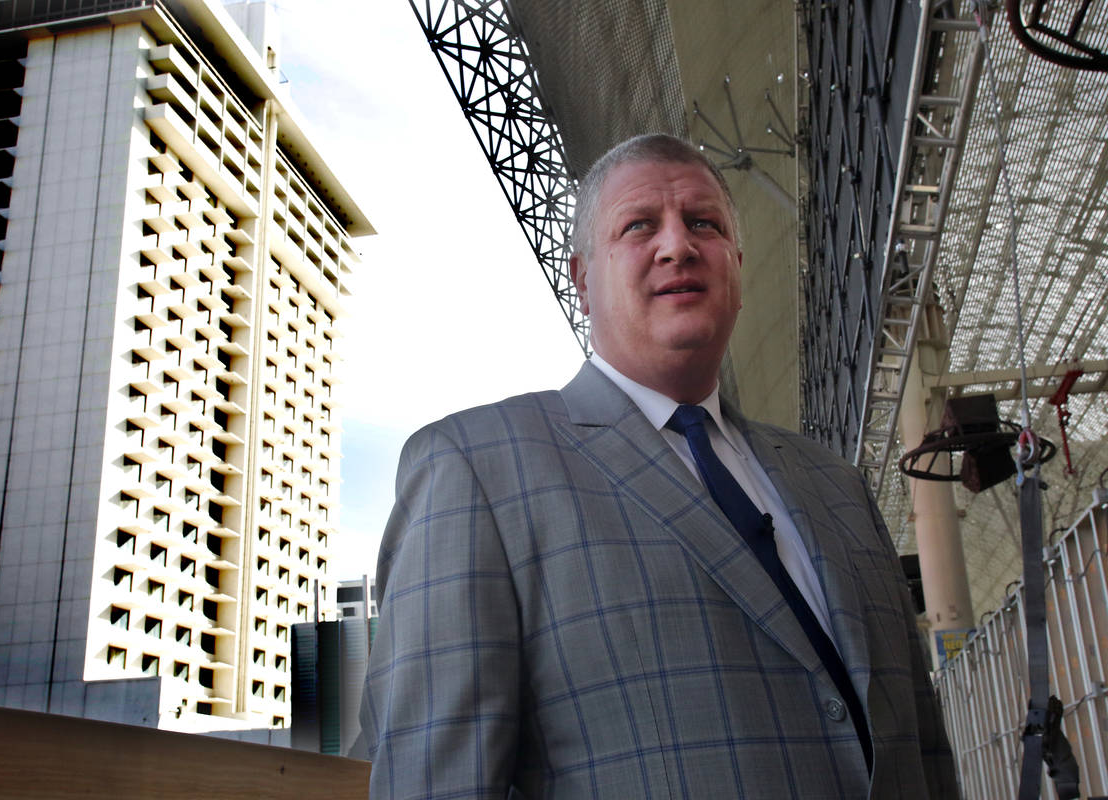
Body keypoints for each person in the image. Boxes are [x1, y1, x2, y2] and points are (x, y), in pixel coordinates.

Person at [358, 133, 959, 798]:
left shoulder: (836, 486)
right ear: (583, 279)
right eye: (639, 225)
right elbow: (436, 782)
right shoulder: (475, 470)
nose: (678, 245)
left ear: (736, 260)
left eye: (704, 223)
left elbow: (924, 749)